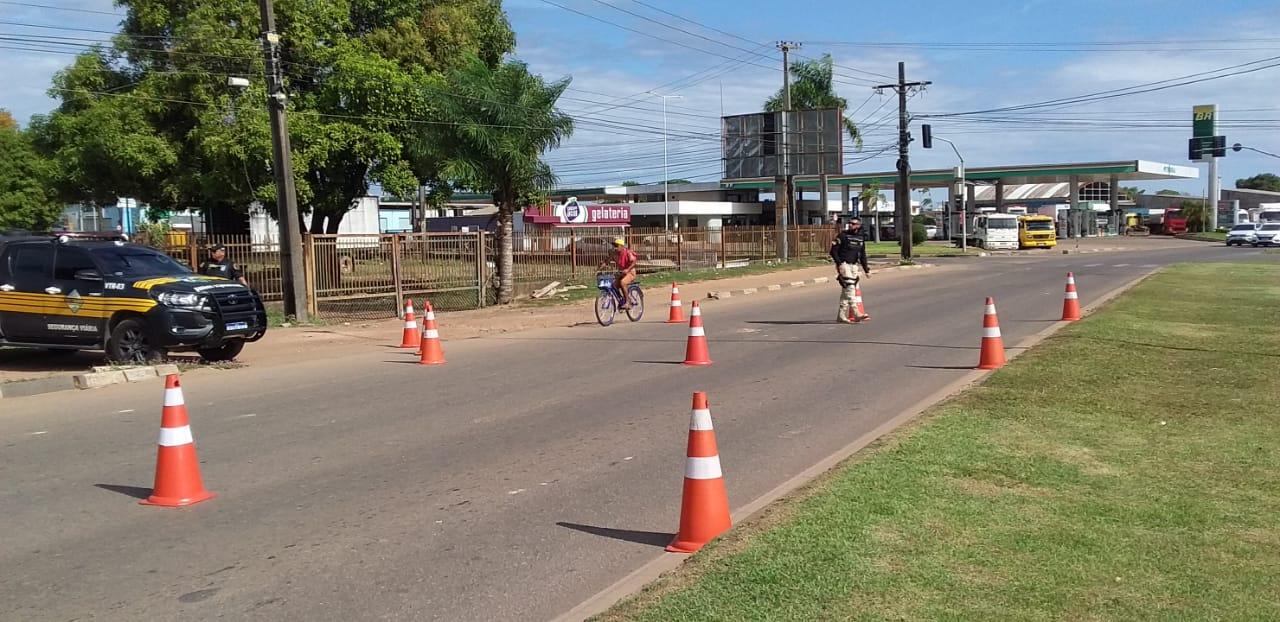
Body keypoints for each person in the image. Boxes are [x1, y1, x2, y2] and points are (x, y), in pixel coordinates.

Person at [830, 217, 871, 324]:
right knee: (850, 288)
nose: (851, 225)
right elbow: (833, 251)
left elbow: (862, 255)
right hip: (844, 265)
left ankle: (841, 315)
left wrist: (866, 269)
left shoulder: (860, 238)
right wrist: (839, 264)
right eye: (850, 223)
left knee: (846, 291)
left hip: (854, 266)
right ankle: (856, 313)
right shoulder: (842, 236)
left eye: (853, 224)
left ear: (858, 226)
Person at [599, 237, 638, 309]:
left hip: (630, 272)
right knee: (613, 285)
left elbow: (634, 262)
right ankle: (622, 300)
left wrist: (627, 269)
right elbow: (607, 261)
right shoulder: (614, 253)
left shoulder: (628, 253)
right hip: (621, 272)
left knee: (623, 282)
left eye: (617, 246)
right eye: (614, 246)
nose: (615, 248)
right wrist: (599, 269)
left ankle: (628, 302)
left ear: (622, 246)